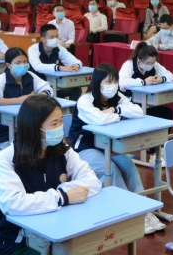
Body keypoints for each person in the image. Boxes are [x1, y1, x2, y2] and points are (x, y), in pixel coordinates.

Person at [0, 95, 102, 255]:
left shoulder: (62, 150)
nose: (60, 128)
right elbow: (13, 204)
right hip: (17, 241)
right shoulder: (7, 158)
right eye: (54, 123)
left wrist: (65, 191)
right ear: (34, 127)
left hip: (58, 231)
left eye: (61, 121)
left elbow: (92, 181)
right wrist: (62, 197)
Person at [68, 63, 165, 235]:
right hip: (83, 149)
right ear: (97, 82)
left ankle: (143, 210)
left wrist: (116, 110)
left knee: (129, 166)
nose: (112, 85)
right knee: (111, 170)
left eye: (115, 81)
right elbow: (100, 119)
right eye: (108, 81)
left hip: (107, 145)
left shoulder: (116, 97)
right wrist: (120, 115)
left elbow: (138, 111)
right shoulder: (85, 100)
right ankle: (130, 215)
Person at [0, 47, 53, 148]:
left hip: (25, 129)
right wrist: (19, 100)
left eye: (25, 62)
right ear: (9, 65)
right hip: (3, 133)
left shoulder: (30, 76)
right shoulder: (2, 79)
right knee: (19, 151)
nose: (22, 65)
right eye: (18, 62)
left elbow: (48, 89)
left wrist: (36, 97)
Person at [28, 24, 83, 101]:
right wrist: (59, 67)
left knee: (76, 89)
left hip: (54, 85)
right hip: (37, 87)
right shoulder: (33, 49)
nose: (55, 39)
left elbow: (75, 61)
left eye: (57, 36)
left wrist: (76, 65)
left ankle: (73, 109)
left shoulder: (59, 48)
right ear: (43, 39)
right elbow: (38, 67)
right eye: (52, 37)